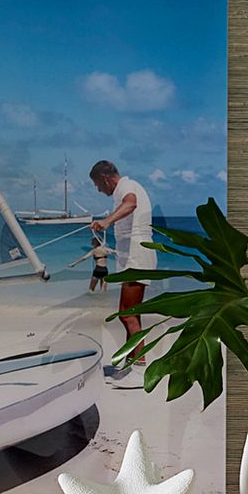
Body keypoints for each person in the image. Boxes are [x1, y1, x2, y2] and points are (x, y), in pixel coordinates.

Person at [89, 160, 156, 381]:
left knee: (128, 315)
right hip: (133, 257)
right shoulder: (126, 187)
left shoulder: (126, 187)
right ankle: (133, 360)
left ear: (105, 178)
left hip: (138, 257)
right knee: (128, 314)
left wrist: (107, 221)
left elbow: (131, 204)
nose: (99, 190)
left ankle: (141, 367)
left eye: (98, 185)